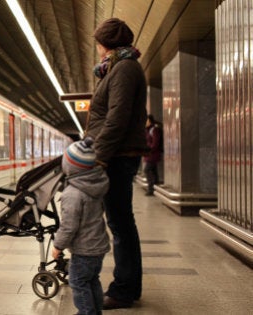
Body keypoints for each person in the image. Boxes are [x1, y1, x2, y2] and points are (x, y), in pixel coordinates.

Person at [86, 18, 149, 309]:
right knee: (121, 222)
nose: (97, 49)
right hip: (117, 154)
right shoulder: (118, 68)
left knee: (121, 223)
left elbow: (117, 118)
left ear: (105, 44)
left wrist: (98, 155)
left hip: (117, 156)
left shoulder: (124, 69)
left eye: (98, 43)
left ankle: (124, 289)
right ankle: (127, 286)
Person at [52, 138, 110, 315]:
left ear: (69, 167)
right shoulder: (96, 184)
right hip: (98, 246)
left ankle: (87, 312)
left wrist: (58, 245)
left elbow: (69, 226)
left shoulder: (72, 194)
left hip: (84, 250)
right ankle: (95, 310)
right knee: (92, 280)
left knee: (78, 282)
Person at [143, 115, 162, 196]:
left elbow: (155, 143)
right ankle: (155, 186)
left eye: (146, 121)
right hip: (150, 154)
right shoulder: (148, 130)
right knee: (153, 170)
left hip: (153, 154)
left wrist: (149, 149)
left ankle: (151, 189)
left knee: (147, 170)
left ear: (149, 121)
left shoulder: (154, 129)